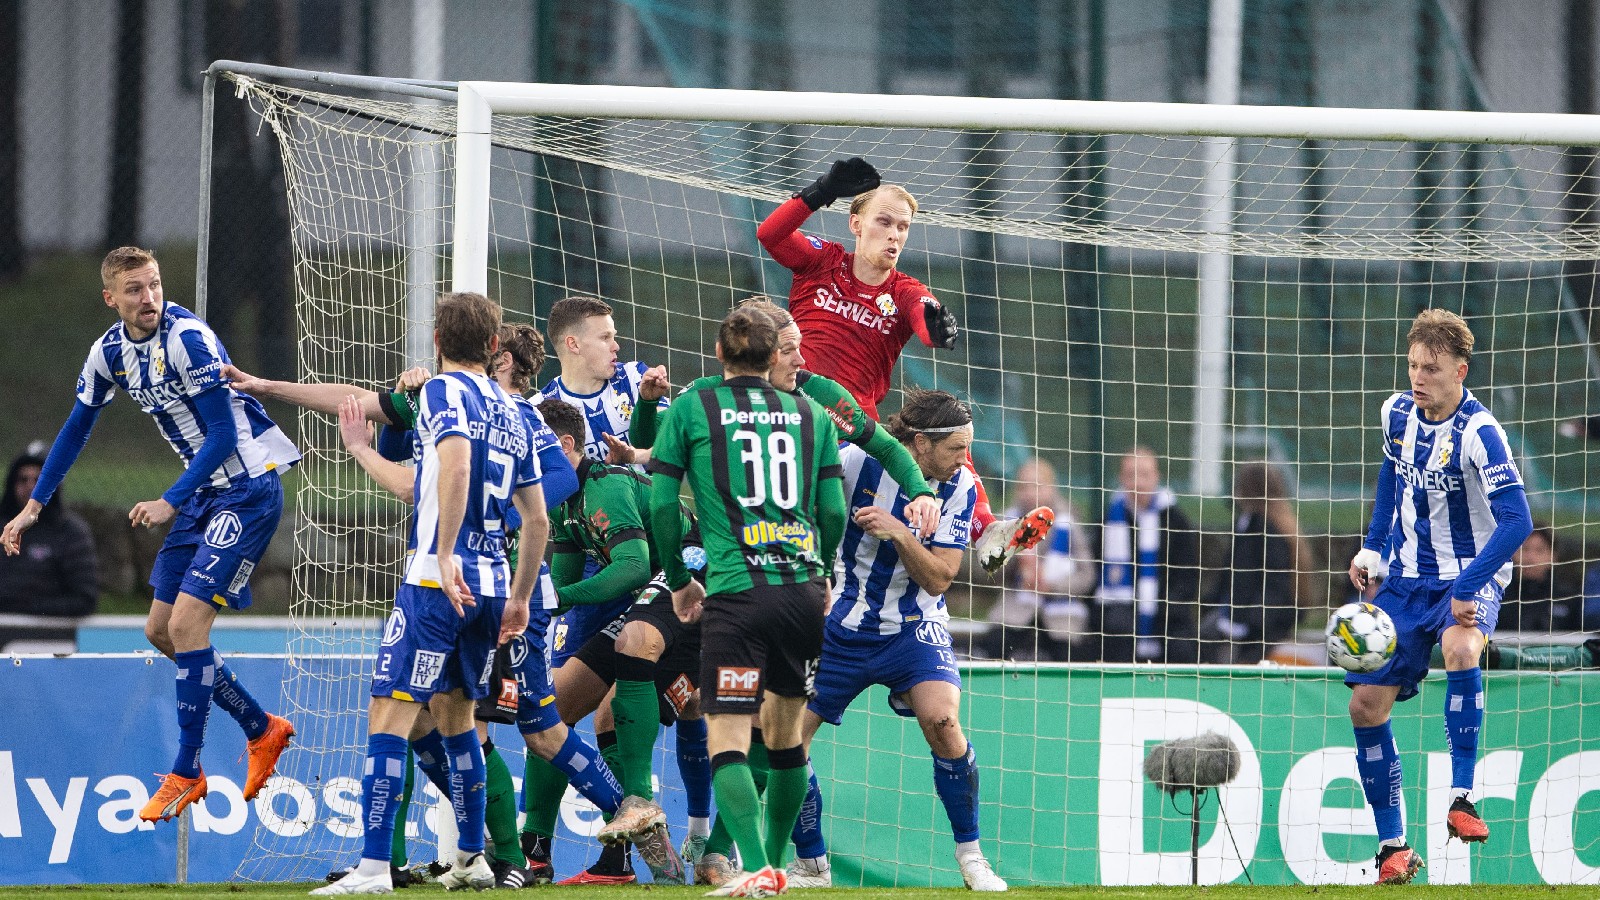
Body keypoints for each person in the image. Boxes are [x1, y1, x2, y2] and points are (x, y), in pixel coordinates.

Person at [1, 246, 297, 823]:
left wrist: (168, 500)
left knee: (187, 625)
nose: (149, 299)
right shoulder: (108, 352)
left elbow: (219, 436)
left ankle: (187, 771)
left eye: (155, 285)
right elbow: (75, 428)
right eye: (135, 290)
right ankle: (261, 728)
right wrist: (34, 506)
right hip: (203, 493)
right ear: (111, 298)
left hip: (246, 487)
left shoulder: (189, 340)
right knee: (161, 630)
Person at [316, 291, 550, 895]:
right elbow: (538, 520)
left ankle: (372, 869)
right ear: (494, 345)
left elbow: (455, 465)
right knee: (457, 721)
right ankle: (471, 859)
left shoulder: (445, 391)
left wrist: (444, 554)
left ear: (439, 343)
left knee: (389, 715)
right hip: (495, 588)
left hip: (436, 583)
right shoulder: (515, 408)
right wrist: (521, 597)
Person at [756, 158, 1052, 574]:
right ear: (856, 224)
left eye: (904, 227)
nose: (894, 235)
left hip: (854, 430)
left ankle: (985, 530)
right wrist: (821, 191)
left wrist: (935, 326)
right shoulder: (822, 262)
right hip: (792, 415)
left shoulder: (906, 290)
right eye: (884, 222)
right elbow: (770, 234)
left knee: (943, 428)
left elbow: (924, 316)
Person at [648, 304, 847, 897]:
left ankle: (757, 867)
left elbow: (661, 505)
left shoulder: (693, 406)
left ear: (719, 354)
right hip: (802, 591)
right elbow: (832, 511)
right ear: (774, 356)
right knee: (786, 741)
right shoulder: (813, 415)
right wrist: (824, 568)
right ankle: (779, 867)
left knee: (729, 738)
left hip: (737, 593)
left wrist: (679, 579)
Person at [788, 389, 1008, 892]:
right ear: (921, 443)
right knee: (785, 740)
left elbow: (939, 580)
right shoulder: (851, 463)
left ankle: (973, 858)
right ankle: (811, 864)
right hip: (837, 627)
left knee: (943, 720)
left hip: (913, 628)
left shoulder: (961, 487)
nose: (963, 459)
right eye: (955, 448)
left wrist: (900, 533)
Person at [1344, 308, 1532, 884]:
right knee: (1364, 706)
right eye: (1412, 366)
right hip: (1402, 578)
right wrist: (1373, 548)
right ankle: (1392, 848)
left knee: (1461, 648)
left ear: (1460, 370)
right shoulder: (1396, 413)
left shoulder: (1481, 432)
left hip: (1465, 576)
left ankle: (1462, 798)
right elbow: (1389, 476)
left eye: (1430, 368)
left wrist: (1469, 585)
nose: (1417, 378)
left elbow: (1517, 520)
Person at [1090, 447, 1202, 664]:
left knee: (1181, 645)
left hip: (1167, 611)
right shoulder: (1110, 518)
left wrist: (1161, 604)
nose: (1138, 483)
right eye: (1131, 475)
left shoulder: (1175, 521)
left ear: (1156, 477)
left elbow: (1188, 575)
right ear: (1121, 478)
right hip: (1119, 608)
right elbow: (1097, 568)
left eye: (1144, 475)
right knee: (1114, 629)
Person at [1200, 461, 1318, 664]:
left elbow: (1274, 585)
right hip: (1245, 618)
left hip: (1263, 625)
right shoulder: (1248, 522)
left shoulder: (1267, 528)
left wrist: (1249, 622)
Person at [983, 456, 1095, 661]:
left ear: (1051, 488)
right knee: (994, 644)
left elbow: (1087, 576)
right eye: (1024, 487)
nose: (1030, 494)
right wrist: (1015, 556)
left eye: (1037, 486)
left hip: (1062, 617)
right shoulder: (1006, 522)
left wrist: (1051, 586)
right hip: (1016, 612)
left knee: (1071, 655)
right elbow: (986, 572)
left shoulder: (1070, 521)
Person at [0, 443, 98, 619]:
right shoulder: (3, 527)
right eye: (23, 479)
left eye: (38, 480)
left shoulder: (70, 533)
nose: (30, 486)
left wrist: (26, 607)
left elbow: (85, 598)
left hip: (50, 635)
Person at [1499, 524, 1585, 632]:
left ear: (1553, 557)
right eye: (1525, 549)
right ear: (1513, 553)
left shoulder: (1570, 597)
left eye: (1539, 551)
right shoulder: (1499, 596)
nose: (1530, 558)